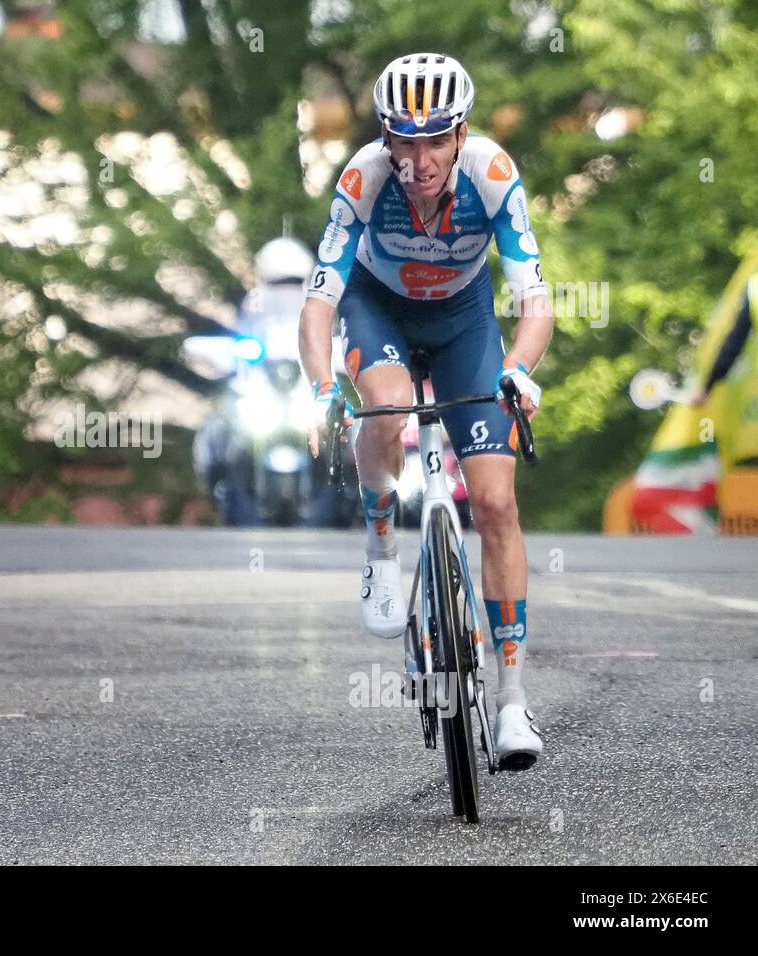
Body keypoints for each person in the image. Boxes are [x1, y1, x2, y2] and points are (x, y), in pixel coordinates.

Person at [299, 53, 553, 769]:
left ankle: (510, 702)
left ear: (460, 134)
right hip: (377, 309)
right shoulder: (361, 181)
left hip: (465, 321)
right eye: (403, 141)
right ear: (385, 140)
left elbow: (535, 299)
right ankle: (382, 541)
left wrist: (518, 370)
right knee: (385, 407)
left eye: (434, 140)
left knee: (498, 506)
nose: (418, 160)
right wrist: (323, 384)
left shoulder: (492, 175)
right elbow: (320, 300)